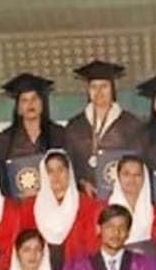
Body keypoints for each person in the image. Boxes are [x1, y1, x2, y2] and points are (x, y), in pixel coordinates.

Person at [62, 60, 145, 190]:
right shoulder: (74, 126)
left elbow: (138, 161)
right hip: (85, 194)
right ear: (88, 90)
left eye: (104, 86)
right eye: (94, 87)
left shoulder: (131, 123)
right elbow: (68, 163)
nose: (99, 92)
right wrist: (81, 182)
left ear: (112, 89)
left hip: (122, 192)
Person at [24, 148, 100, 269]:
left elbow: (93, 246)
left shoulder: (87, 205)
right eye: (50, 171)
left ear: (69, 172)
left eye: (60, 169)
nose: (56, 176)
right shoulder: (30, 206)